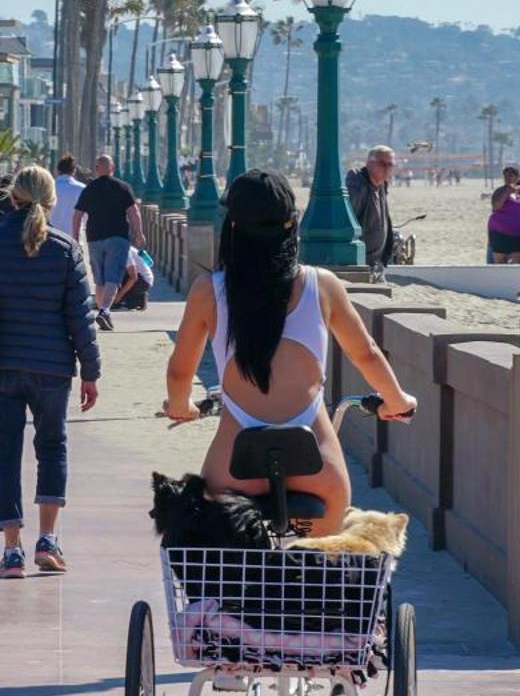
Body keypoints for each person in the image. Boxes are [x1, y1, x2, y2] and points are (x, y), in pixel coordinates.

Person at [162, 170, 417, 537]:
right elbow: (368, 355)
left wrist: (180, 406)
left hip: (235, 464)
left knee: (220, 564)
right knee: (319, 576)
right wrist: (396, 400)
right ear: (291, 225)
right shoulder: (322, 285)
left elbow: (179, 372)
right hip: (317, 467)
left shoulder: (208, 292)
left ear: (232, 225)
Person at [0, 167, 100, 579]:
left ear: (12, 198)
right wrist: (91, 371)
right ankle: (48, 540)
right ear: (50, 202)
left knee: (5, 455)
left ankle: (12, 551)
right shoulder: (66, 249)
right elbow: (81, 318)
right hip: (53, 367)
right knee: (52, 447)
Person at [71, 153, 145, 331]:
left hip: (94, 238)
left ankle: (103, 312)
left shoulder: (89, 189)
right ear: (112, 169)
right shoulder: (122, 187)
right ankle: (104, 311)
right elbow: (134, 212)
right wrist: (139, 233)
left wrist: (75, 237)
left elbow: (78, 215)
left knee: (100, 280)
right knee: (113, 276)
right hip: (118, 238)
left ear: (97, 170)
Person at [345, 145, 399, 271]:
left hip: (376, 264)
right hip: (359, 265)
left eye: (390, 165)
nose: (386, 168)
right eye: (382, 164)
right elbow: (348, 220)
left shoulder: (382, 186)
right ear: (369, 163)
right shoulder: (358, 184)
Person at [487, 165, 520, 264]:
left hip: (519, 233)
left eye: (511, 175)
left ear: (518, 177)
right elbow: (495, 207)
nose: (507, 178)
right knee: (501, 264)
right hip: (499, 232)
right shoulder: (499, 191)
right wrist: (507, 192)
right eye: (505, 175)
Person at [48, 155, 86, 238]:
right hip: (73, 238)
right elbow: (86, 217)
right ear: (74, 171)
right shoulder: (81, 188)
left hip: (50, 236)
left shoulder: (49, 188)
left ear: (58, 170)